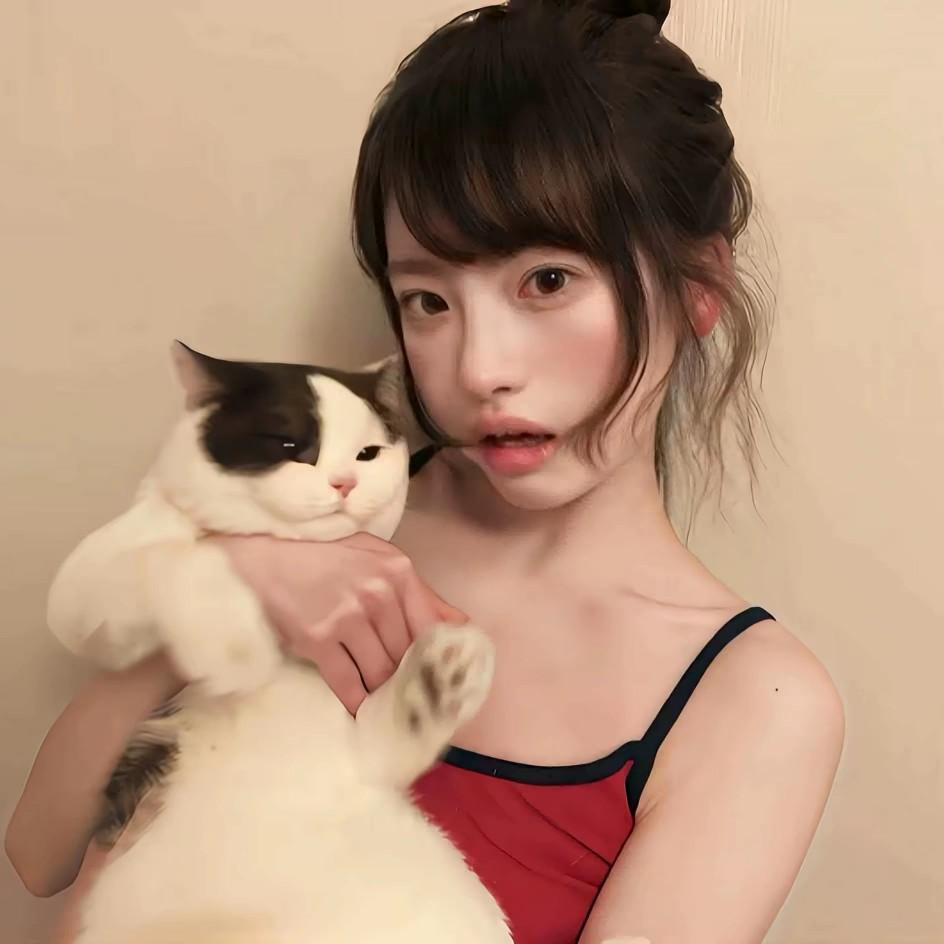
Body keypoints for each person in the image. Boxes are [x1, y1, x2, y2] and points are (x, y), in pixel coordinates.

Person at [6, 2, 845, 942]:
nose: (479, 368)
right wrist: (227, 582)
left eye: (548, 281)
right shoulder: (329, 507)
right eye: (429, 300)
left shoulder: (752, 702)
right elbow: (40, 852)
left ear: (699, 289)